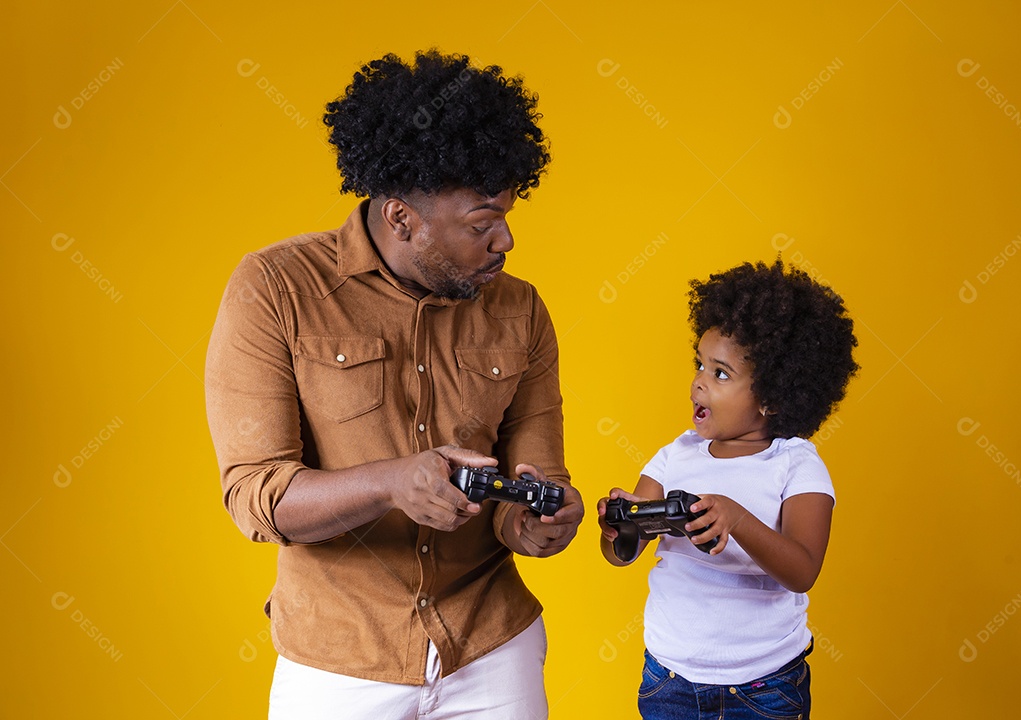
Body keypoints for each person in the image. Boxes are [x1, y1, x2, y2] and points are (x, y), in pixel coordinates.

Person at [205, 50, 583, 719]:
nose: (507, 239)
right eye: (482, 221)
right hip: (339, 660)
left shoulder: (521, 310)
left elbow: (532, 485)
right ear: (401, 217)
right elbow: (255, 497)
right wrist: (393, 481)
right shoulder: (275, 289)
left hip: (494, 646)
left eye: (507, 212)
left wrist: (543, 522)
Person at [598, 260, 858, 719]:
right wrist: (620, 525)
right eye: (700, 364)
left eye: (721, 374)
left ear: (773, 397)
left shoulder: (797, 465)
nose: (699, 380)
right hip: (669, 680)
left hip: (763, 687)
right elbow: (625, 553)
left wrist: (736, 518)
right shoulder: (674, 456)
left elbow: (802, 570)